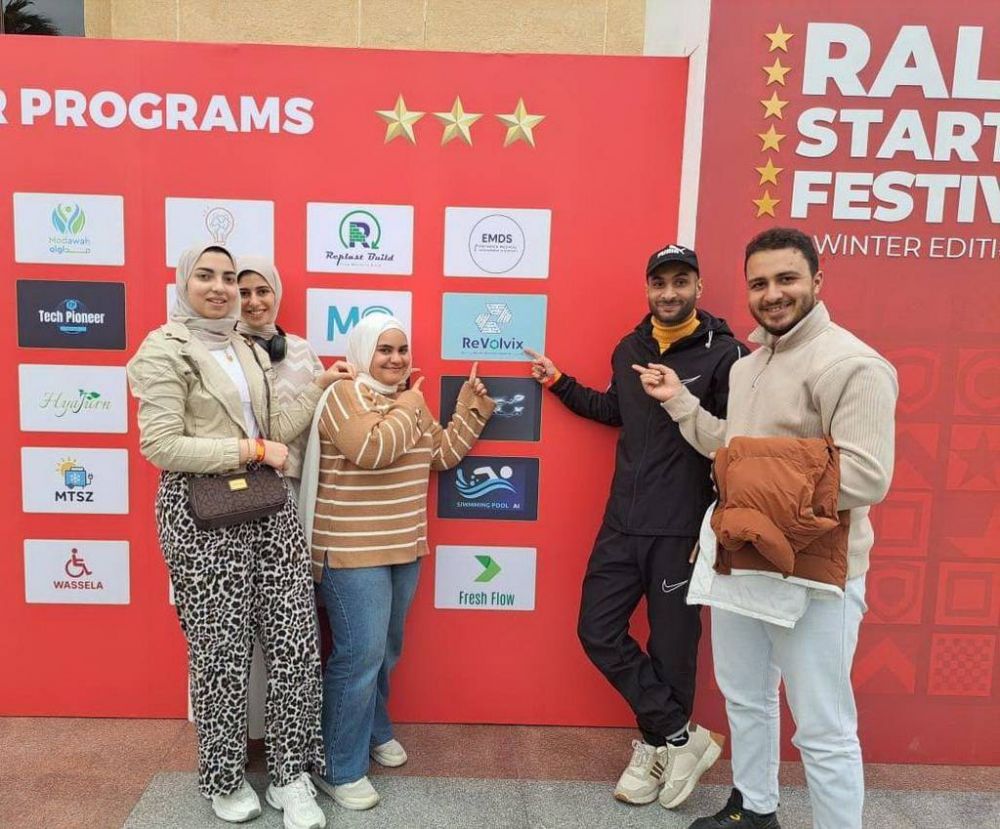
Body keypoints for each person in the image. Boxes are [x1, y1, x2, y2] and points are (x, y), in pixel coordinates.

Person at [636, 227, 897, 829]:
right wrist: (680, 401)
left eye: (786, 279)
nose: (773, 294)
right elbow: (729, 448)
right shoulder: (748, 366)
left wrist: (745, 476)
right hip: (741, 559)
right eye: (759, 283)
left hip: (816, 576)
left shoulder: (854, 364)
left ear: (817, 281)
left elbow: (865, 476)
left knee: (824, 728)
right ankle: (755, 810)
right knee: (745, 698)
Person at [127, 243, 351, 829]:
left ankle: (290, 775)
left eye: (228, 277)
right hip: (200, 515)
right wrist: (249, 450)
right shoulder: (163, 349)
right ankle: (224, 777)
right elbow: (161, 445)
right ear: (184, 283)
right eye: (206, 276)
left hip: (268, 508)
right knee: (220, 654)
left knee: (295, 644)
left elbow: (274, 429)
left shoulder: (246, 348)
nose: (221, 287)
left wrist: (319, 386)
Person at [525, 243, 744, 809]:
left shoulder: (726, 354)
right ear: (647, 288)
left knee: (673, 650)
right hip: (622, 521)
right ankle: (681, 737)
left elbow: (736, 441)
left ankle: (656, 750)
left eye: (680, 282)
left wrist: (715, 523)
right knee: (597, 630)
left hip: (682, 528)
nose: (669, 293)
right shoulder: (630, 348)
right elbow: (614, 411)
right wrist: (559, 382)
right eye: (659, 283)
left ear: (698, 287)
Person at [298, 313, 495, 811]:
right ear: (364, 352)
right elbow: (371, 449)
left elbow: (440, 455)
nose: (396, 359)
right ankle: (337, 766)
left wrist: (470, 409)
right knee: (358, 657)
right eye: (384, 349)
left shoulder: (410, 402)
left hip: (404, 547)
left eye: (402, 349)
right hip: (351, 551)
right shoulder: (343, 395)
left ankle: (373, 729)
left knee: (384, 651)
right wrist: (410, 402)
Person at [235, 255, 355, 742]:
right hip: (235, 499)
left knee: (289, 621)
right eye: (243, 292)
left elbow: (324, 424)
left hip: (292, 495)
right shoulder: (220, 352)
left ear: (277, 294)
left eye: (262, 291)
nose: (254, 302)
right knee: (235, 620)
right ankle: (241, 730)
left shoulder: (302, 352)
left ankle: (290, 731)